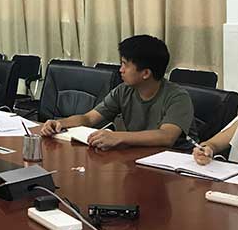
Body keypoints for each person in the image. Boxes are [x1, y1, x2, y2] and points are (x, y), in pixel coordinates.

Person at [41, 35, 195, 150]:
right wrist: (60, 123)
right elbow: (89, 118)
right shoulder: (124, 90)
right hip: (139, 157)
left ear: (146, 73)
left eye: (125, 65)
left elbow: (166, 136)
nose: (120, 70)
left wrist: (118, 137)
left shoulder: (177, 97)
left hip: (175, 163)